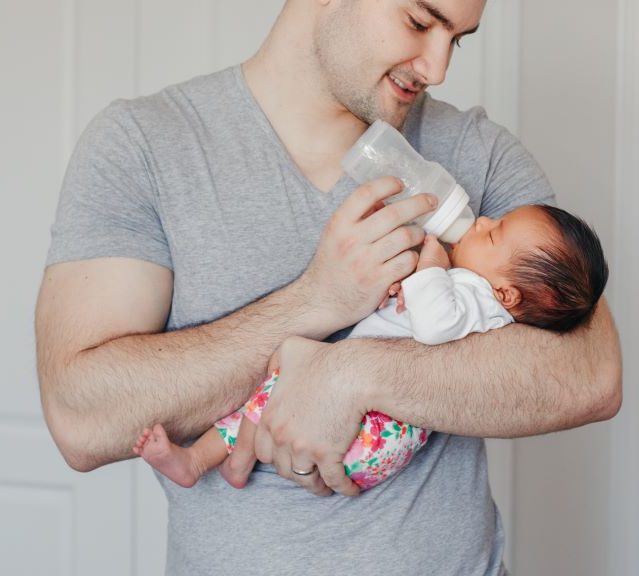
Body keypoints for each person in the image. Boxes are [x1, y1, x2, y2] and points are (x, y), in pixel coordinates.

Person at [35, 0, 622, 575]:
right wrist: (314, 301)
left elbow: (592, 373)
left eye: (457, 40)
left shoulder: (475, 152)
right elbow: (80, 418)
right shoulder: (146, 146)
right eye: (419, 22)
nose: (436, 67)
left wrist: (352, 376)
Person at [134, 203, 608, 491]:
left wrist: (431, 265)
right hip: (372, 439)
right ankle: (230, 458)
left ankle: (198, 460)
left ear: (507, 294)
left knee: (280, 376)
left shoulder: (480, 299)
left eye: (494, 233)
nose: (481, 220)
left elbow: (437, 324)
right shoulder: (483, 299)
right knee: (285, 370)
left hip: (376, 435)